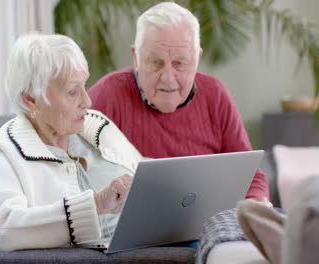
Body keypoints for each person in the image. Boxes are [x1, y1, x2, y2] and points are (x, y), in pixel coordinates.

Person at [0, 33, 143, 251]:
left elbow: (141, 167)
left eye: (84, 85)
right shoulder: (2, 153)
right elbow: (4, 227)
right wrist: (97, 205)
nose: (87, 101)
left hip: (159, 238)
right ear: (30, 99)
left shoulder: (96, 125)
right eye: (73, 92)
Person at [88, 2, 269, 202]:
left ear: (197, 59)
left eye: (179, 63)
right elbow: (79, 179)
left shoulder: (215, 95)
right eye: (156, 62)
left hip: (209, 222)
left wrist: (257, 204)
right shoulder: (106, 96)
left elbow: (248, 173)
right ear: (136, 57)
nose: (168, 77)